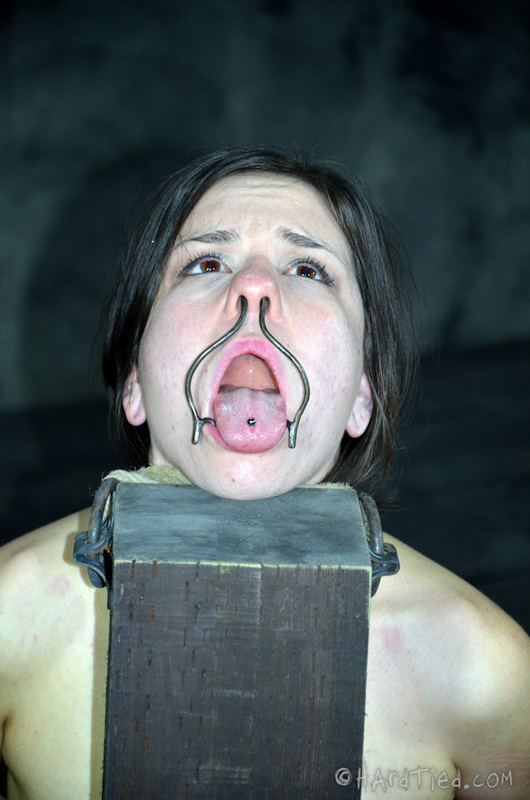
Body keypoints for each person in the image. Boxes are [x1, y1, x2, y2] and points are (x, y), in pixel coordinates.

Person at [0, 145, 528, 800]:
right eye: (206, 263)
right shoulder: (10, 618)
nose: (254, 286)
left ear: (361, 397)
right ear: (134, 382)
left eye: (308, 268)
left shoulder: (482, 672)